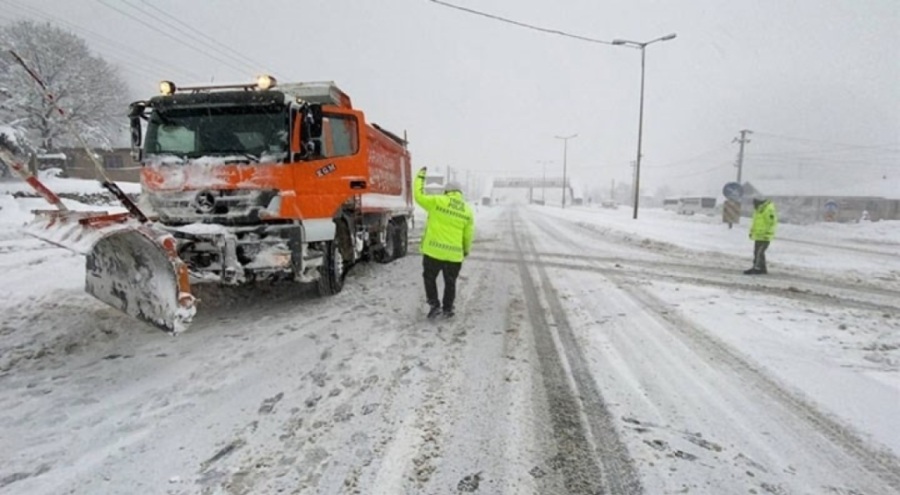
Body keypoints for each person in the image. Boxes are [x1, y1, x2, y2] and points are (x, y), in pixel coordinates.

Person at [413, 167, 475, 319]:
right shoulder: (467, 210)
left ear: (446, 191)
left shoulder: (437, 201)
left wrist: (420, 177)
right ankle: (448, 308)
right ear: (460, 193)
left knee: (429, 277)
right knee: (450, 282)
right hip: (454, 255)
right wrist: (465, 250)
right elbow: (468, 235)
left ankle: (434, 305)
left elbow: (418, 196)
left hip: (433, 252)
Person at [744, 197, 777, 275]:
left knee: (760, 252)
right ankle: (762, 268)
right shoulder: (759, 210)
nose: (753, 205)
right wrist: (752, 232)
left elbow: (771, 223)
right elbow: (756, 223)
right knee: (757, 252)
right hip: (759, 235)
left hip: (765, 236)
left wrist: (768, 233)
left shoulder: (768, 210)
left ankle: (757, 268)